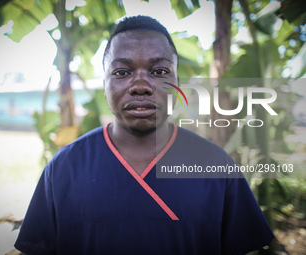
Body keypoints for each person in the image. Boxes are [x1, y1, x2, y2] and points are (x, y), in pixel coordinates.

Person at [14, 15, 274, 255]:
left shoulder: (217, 166)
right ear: (104, 84)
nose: (140, 86)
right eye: (121, 72)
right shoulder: (63, 168)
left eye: (159, 71)